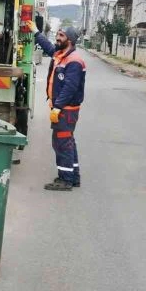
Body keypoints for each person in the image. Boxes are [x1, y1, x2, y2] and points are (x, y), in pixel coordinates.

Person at [24, 21, 87, 191]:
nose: (58, 39)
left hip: (66, 110)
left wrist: (58, 107)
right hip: (64, 109)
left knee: (62, 143)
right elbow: (49, 48)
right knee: (68, 142)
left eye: (61, 36)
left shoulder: (73, 61)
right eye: (58, 35)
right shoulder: (61, 55)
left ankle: (65, 179)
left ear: (70, 40)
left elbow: (70, 87)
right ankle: (73, 176)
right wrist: (36, 32)